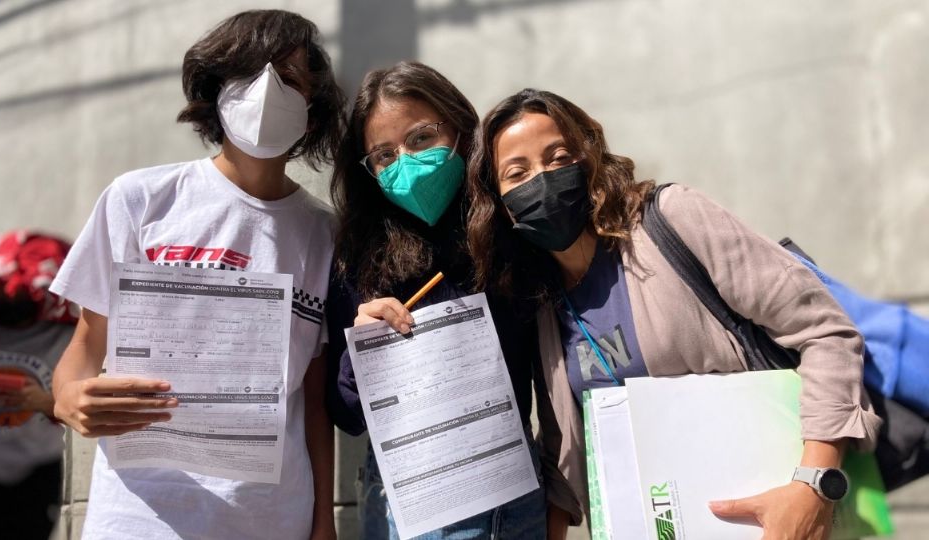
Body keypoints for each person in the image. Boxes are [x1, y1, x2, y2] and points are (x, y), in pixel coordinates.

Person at [465, 88, 882, 540]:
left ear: (588, 159)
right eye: (517, 173)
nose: (541, 180)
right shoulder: (542, 302)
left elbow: (826, 332)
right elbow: (563, 458)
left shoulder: (670, 220)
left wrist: (813, 487)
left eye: (558, 156)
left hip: (778, 518)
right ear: (501, 203)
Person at [47, 10, 345, 540]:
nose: (267, 92)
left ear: (314, 111)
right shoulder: (140, 200)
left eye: (290, 79)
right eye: (250, 75)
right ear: (217, 91)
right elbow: (84, 351)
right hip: (139, 517)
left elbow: (315, 400)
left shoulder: (326, 234)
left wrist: (323, 521)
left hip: (272, 518)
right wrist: (68, 398)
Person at [324, 61, 546, 539]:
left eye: (421, 138)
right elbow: (346, 416)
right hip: (405, 499)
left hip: (508, 487)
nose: (405, 161)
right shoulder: (357, 254)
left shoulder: (508, 229)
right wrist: (359, 356)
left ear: (461, 129)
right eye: (383, 155)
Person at [0, 230, 78, 540]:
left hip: (36, 474)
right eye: (2, 291)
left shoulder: (67, 338)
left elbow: (85, 411)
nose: (12, 295)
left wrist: (42, 401)